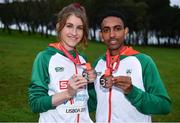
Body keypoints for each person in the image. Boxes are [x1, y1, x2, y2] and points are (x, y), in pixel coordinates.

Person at [88, 9, 172, 122]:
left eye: (117, 29)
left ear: (126, 31)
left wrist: (132, 92)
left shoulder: (143, 61)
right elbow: (92, 102)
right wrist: (74, 91)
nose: (112, 35)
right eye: (106, 30)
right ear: (101, 35)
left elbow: (164, 106)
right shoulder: (98, 64)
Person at [28, 3, 97, 123]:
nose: (74, 33)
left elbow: (90, 105)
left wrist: (92, 84)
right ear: (59, 26)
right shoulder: (45, 58)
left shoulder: (83, 60)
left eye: (79, 28)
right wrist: (68, 93)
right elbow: (35, 104)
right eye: (69, 26)